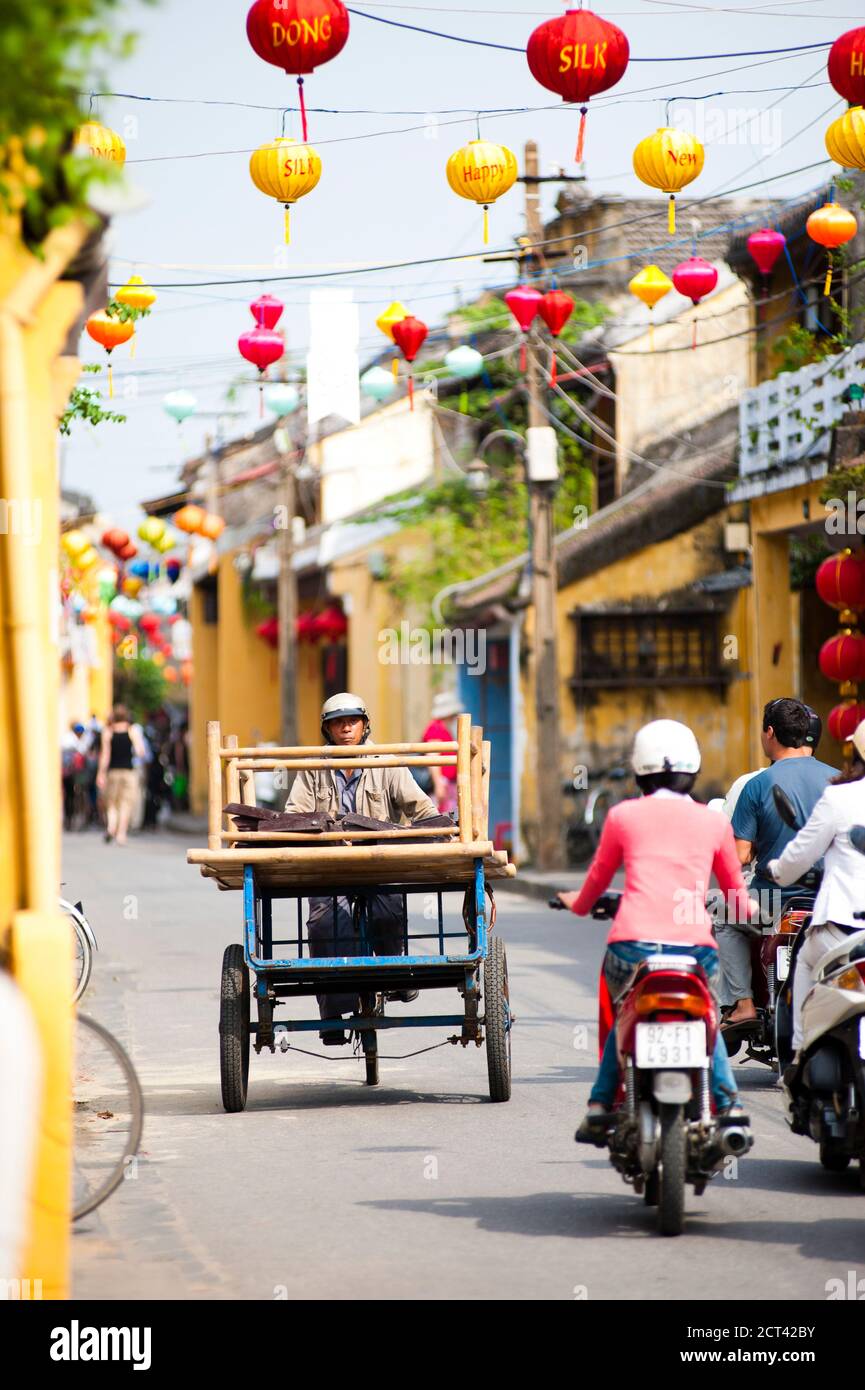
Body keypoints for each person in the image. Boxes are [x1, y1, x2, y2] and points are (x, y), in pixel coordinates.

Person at [557, 719, 755, 1140]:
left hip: (633, 948)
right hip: (694, 951)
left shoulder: (622, 815)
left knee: (621, 1010)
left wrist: (578, 903)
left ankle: (599, 1105)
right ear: (694, 770)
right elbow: (737, 897)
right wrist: (757, 908)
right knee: (707, 1018)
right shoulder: (714, 822)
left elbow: (596, 882)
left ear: (638, 771)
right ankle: (730, 1103)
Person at [284, 692, 440, 1043]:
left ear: (365, 725)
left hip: (378, 864)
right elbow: (294, 813)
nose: (346, 728)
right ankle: (333, 1015)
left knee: (388, 911)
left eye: (352, 721)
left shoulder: (385, 762)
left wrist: (438, 831)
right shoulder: (313, 766)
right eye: (338, 722)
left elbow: (421, 807)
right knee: (325, 924)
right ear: (327, 729)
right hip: (328, 865)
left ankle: (393, 976)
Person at [720, 699, 835, 1027]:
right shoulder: (841, 780)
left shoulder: (758, 784)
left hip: (773, 903)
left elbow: (739, 855)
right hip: (828, 903)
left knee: (722, 917)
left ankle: (742, 1004)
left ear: (770, 733)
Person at [767, 716, 865, 1057]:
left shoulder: (839, 797)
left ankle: (798, 1053)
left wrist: (778, 870)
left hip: (842, 926)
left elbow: (798, 855)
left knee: (805, 962)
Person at [96, 705, 147, 846]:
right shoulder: (132, 731)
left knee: (111, 803)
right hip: (128, 772)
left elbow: (105, 755)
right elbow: (140, 751)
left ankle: (111, 827)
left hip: (112, 772)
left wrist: (100, 774)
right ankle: (121, 834)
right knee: (126, 803)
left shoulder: (108, 732)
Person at [421, 692, 463, 813]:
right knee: (439, 817)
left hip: (448, 783)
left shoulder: (443, 728)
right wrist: (438, 784)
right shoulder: (436, 728)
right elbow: (433, 756)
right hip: (441, 783)